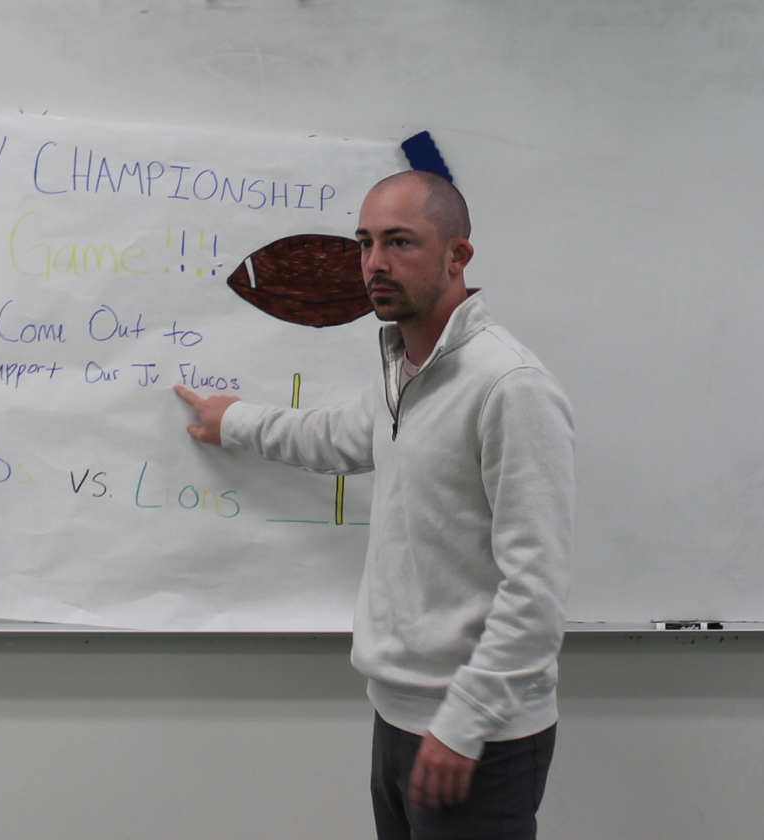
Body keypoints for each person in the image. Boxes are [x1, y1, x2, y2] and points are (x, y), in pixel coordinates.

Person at [175, 170, 574, 839]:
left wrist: (462, 723)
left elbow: (536, 591)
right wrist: (234, 421)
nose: (374, 264)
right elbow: (335, 436)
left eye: (399, 242)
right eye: (364, 243)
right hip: (398, 718)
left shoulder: (510, 388)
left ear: (458, 256)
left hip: (477, 737)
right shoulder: (404, 374)